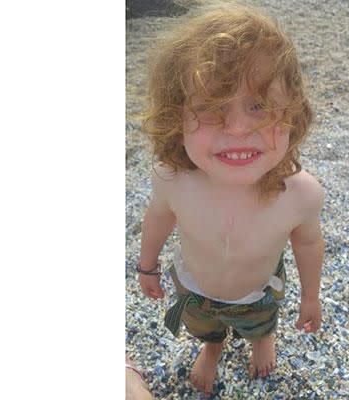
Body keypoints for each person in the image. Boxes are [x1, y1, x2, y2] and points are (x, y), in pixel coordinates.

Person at [138, 2, 325, 396]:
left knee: (260, 322)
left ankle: (261, 340)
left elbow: (307, 241)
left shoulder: (301, 193)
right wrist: (147, 266)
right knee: (205, 327)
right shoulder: (173, 179)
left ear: (292, 113)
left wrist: (310, 296)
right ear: (177, 115)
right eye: (211, 108)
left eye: (259, 105)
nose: (238, 127)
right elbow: (158, 217)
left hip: (258, 292)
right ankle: (212, 348)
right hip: (194, 287)